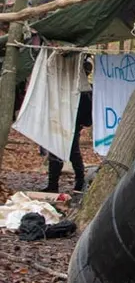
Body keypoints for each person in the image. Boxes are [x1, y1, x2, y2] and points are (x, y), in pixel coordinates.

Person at [47, 58, 93, 194]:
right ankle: (55, 185)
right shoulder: (68, 85)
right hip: (62, 121)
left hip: (73, 124)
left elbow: (86, 111)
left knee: (71, 153)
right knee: (58, 151)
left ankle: (78, 182)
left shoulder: (86, 90)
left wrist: (79, 122)